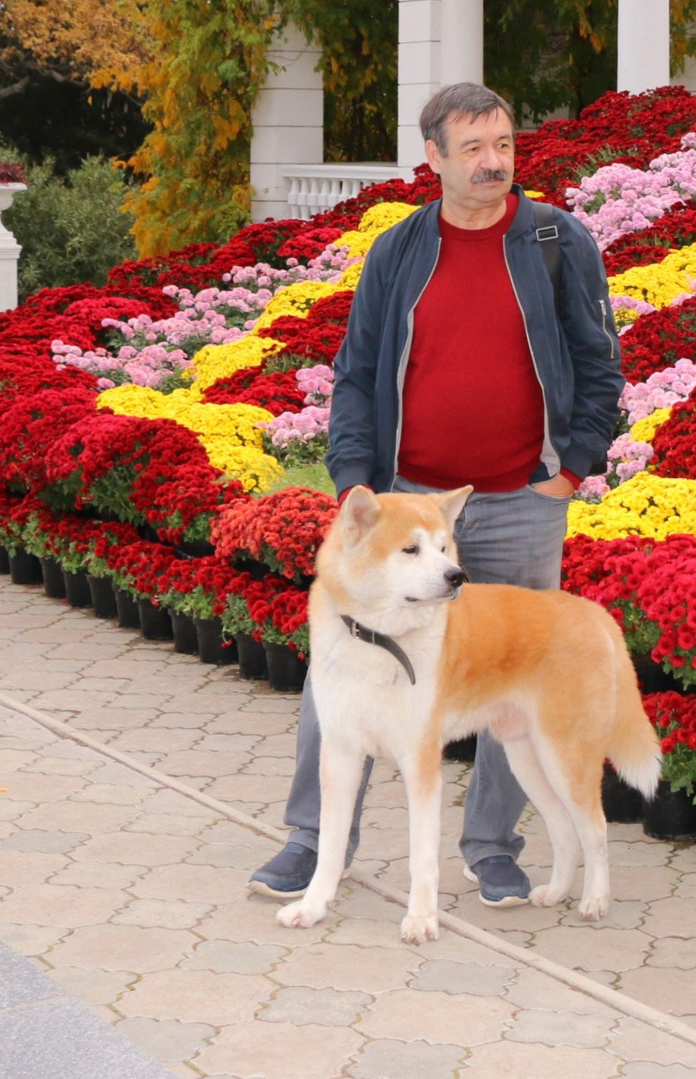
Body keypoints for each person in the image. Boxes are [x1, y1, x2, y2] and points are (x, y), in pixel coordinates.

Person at [248, 81, 625, 908]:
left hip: (524, 499)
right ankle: (316, 843)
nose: (495, 163)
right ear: (434, 159)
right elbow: (355, 374)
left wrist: (572, 469)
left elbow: (601, 365)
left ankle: (493, 847)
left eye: (505, 145)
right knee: (343, 668)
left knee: (513, 679)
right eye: (475, 150)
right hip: (409, 507)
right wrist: (357, 485)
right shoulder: (398, 251)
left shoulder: (558, 240)